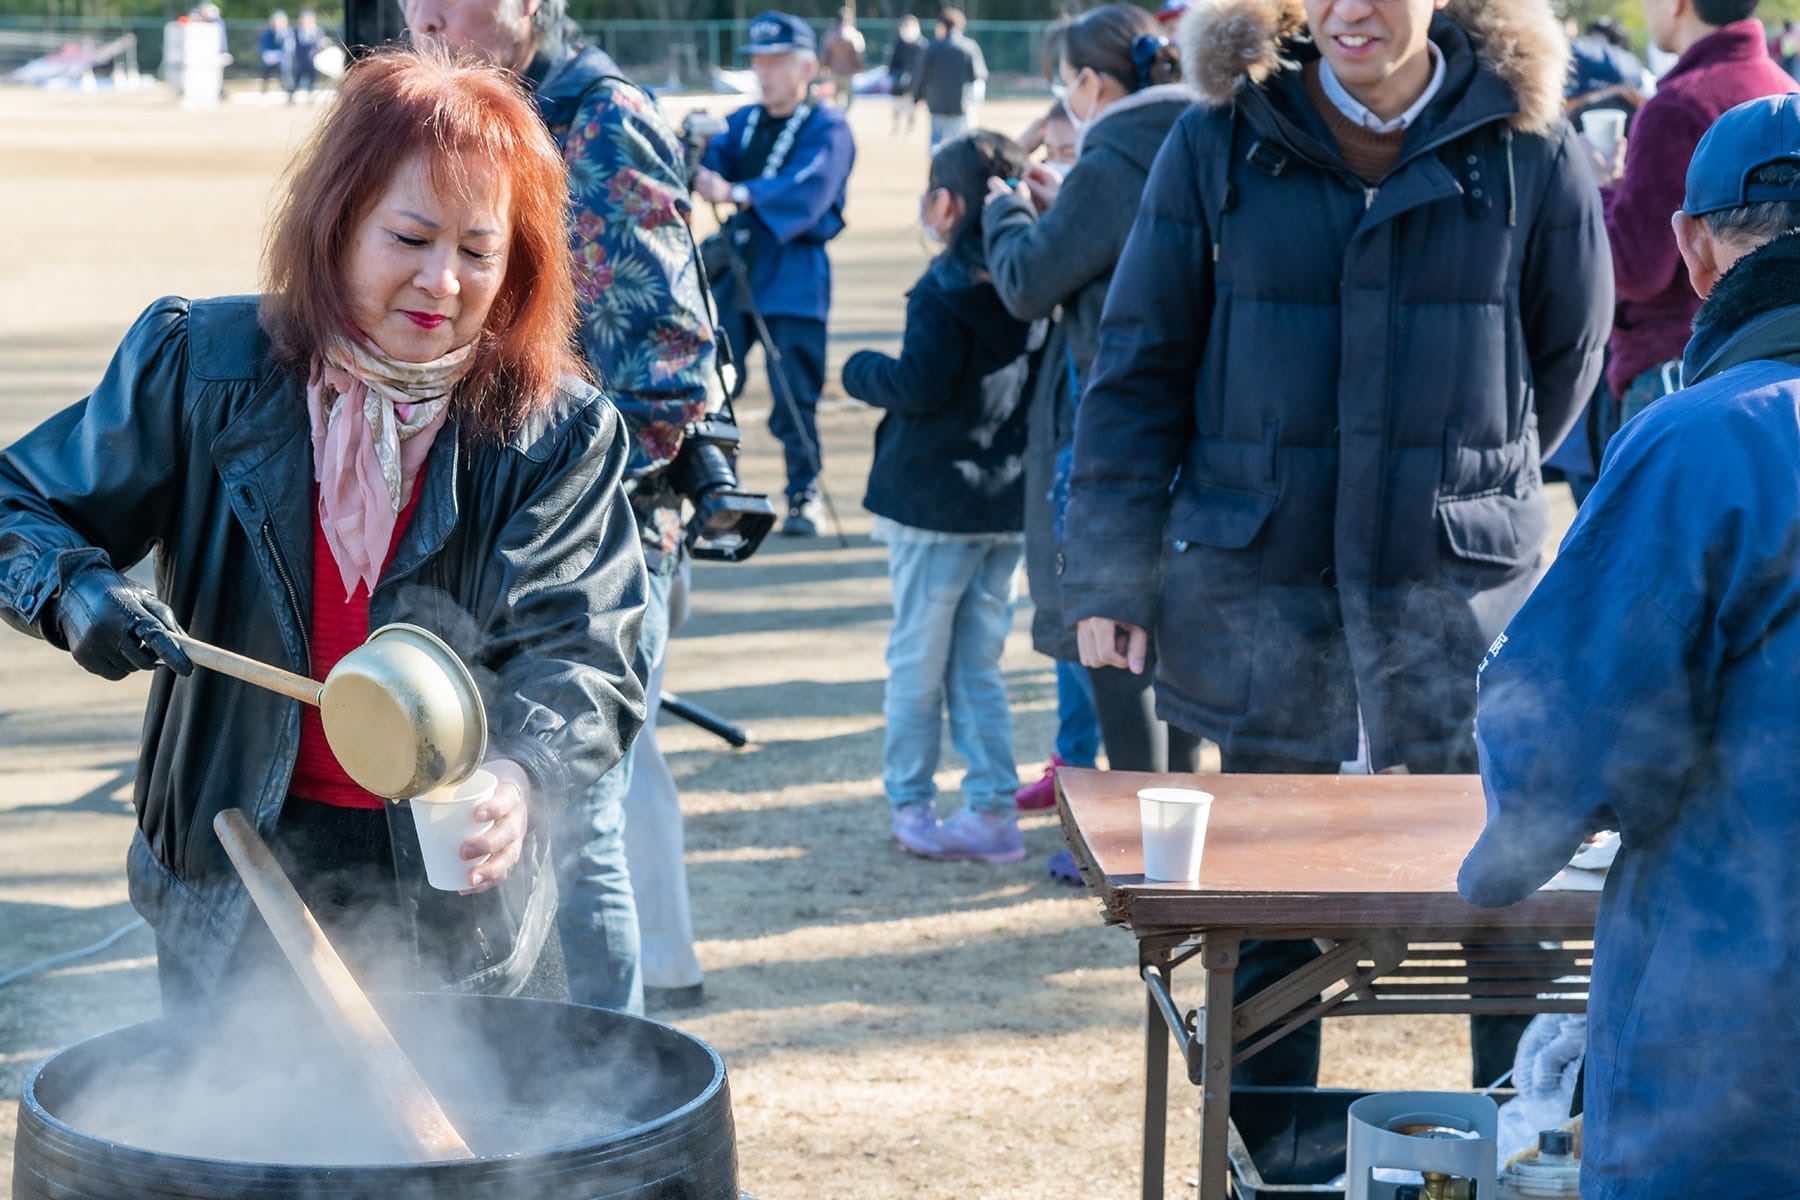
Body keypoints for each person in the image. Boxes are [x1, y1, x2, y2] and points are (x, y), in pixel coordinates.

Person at [0, 49, 648, 1013]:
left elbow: (585, 646)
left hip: (453, 901)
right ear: (337, 221)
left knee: (464, 1159)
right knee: (247, 1155)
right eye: (411, 237)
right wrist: (70, 591)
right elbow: (19, 506)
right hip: (238, 870)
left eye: (479, 250)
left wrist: (521, 770)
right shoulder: (204, 370)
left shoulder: (550, 430)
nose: (443, 281)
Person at [1060, 0, 1612, 1089]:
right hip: (1259, 581)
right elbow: (1137, 369)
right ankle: (1280, 1157)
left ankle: (1517, 1137)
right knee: (1267, 903)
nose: (1352, 10)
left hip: (1462, 596)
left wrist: (1461, 482)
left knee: (1509, 895)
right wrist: (1111, 576)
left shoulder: (1529, 139)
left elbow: (1569, 354)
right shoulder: (1218, 135)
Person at [1461, 93, 1800, 1197]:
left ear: (1694, 251)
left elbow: (1565, 734)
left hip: (1740, 1022)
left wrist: (1505, 853)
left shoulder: (1705, 438)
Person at [404, 0, 719, 1014]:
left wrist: (555, 484)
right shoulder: (445, 118)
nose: (427, 11)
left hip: (595, 536)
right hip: (473, 538)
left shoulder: (600, 119)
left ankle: (605, 1096)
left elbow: (669, 367)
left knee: (574, 827)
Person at [987, 6, 1200, 808]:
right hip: (1204, 434)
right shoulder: (1203, 133)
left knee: (1111, 633)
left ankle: (1153, 844)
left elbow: (1029, 282)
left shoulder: (1119, 155)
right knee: (1185, 648)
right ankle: (1192, 820)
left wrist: (1007, 211)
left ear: (1087, 82)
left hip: (1111, 428)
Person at [842, 130, 1035, 864]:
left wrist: (861, 371)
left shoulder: (945, 289)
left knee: (918, 664)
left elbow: (918, 383)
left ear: (947, 203)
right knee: (977, 664)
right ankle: (992, 808)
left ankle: (912, 802)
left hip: (933, 503)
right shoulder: (1030, 285)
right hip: (1003, 501)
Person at [1594, 0, 1793, 448]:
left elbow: (1637, 268)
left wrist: (1601, 190)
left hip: (1676, 371)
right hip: (1775, 366)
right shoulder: (1781, 86)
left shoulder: (1676, 106)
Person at [693, 12, 856, 537]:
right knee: (715, 382)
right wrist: (691, 152)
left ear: (806, 66)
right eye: (759, 62)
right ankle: (721, 491)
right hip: (737, 266)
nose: (765, 72)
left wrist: (737, 192)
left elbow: (809, 189)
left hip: (794, 269)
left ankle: (803, 492)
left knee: (795, 390)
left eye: (777, 61)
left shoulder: (828, 127)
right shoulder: (740, 121)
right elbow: (706, 160)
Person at [913, 8, 987, 153]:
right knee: (962, 147)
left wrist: (917, 98)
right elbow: (979, 78)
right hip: (962, 107)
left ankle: (937, 173)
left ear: (942, 26)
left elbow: (920, 77)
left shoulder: (932, 49)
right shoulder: (969, 47)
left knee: (936, 144)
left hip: (937, 106)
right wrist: (975, 102)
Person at [820, 5, 866, 111]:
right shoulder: (853, 34)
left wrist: (823, 66)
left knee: (834, 100)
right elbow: (859, 53)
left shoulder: (830, 33)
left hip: (834, 71)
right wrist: (859, 67)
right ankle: (842, 117)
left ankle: (837, 117)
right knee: (849, 101)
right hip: (848, 72)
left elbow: (824, 53)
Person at [887, 14, 926, 135]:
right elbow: (891, 65)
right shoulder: (898, 43)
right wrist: (897, 76)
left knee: (912, 109)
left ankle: (909, 128)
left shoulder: (922, 45)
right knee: (896, 107)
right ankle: (896, 126)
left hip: (915, 85)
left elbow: (924, 67)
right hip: (898, 84)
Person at [291, 10, 324, 100]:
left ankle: (310, 94)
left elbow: (319, 44)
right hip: (300, 59)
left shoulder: (317, 31)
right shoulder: (296, 31)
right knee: (297, 78)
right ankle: (291, 96)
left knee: (312, 78)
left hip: (312, 59)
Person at [258, 10, 291, 93]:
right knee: (266, 71)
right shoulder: (267, 33)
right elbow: (264, 47)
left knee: (284, 70)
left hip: (283, 60)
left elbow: (287, 49)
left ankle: (287, 90)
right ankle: (264, 90)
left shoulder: (288, 33)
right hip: (269, 59)